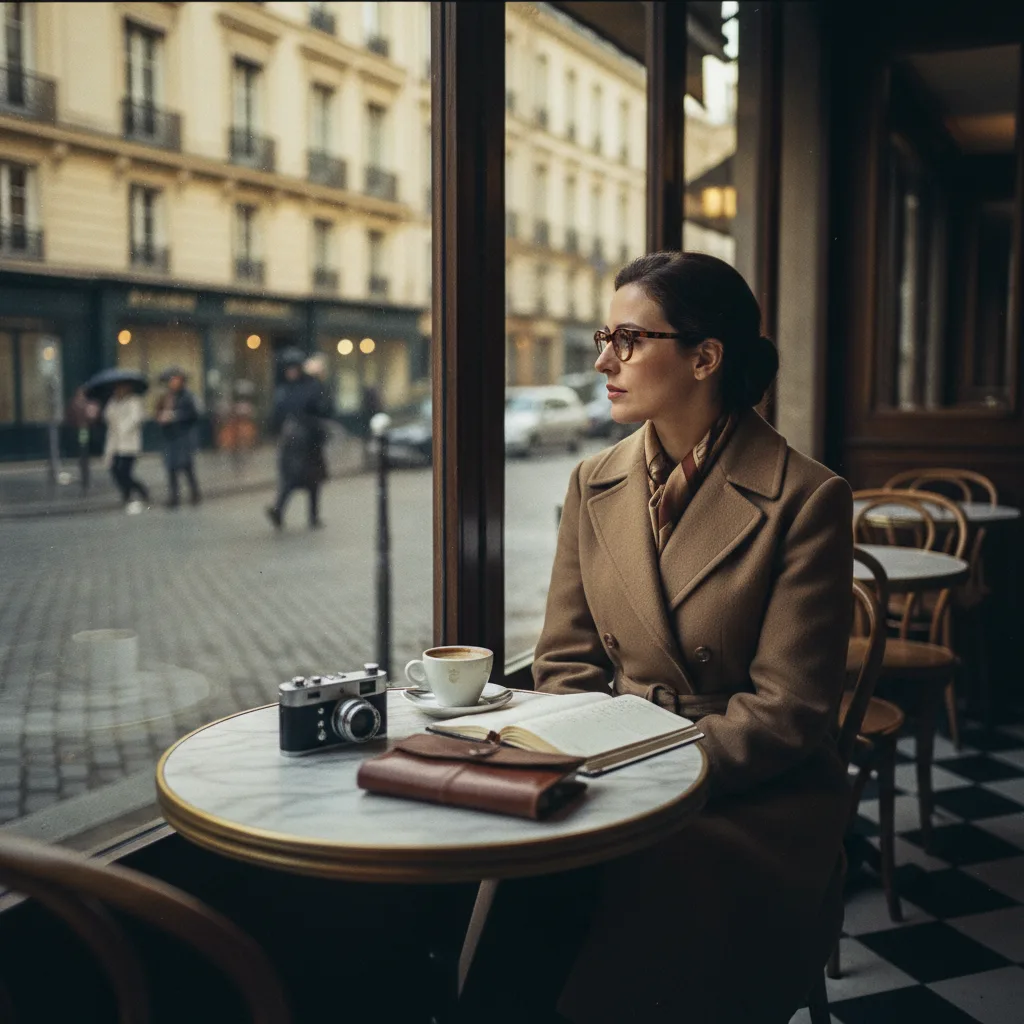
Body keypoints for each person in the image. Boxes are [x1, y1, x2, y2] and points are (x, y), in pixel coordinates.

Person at [460, 252, 854, 1024]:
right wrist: (590, 758)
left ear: (706, 357)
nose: (604, 359)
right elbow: (567, 661)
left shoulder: (808, 499)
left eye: (631, 339)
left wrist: (646, 774)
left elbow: (788, 712)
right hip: (613, 768)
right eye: (606, 336)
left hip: (749, 796)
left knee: (643, 884)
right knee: (523, 867)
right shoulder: (593, 482)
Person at [266, 350, 332, 530]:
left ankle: (313, 516)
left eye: (294, 369)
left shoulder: (312, 385)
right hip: (291, 442)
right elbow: (278, 414)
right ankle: (279, 510)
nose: (291, 373)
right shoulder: (284, 389)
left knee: (313, 481)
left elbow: (324, 407)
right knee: (290, 477)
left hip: (310, 441)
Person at [155, 368, 201, 508]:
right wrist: (161, 417)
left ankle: (195, 494)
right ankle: (174, 497)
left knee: (186, 466)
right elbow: (158, 411)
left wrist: (175, 416)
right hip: (170, 436)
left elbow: (193, 415)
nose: (173, 383)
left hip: (183, 436)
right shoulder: (166, 396)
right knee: (171, 468)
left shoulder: (187, 396)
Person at [103, 381, 150, 513]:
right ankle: (130, 491)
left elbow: (136, 418)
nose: (118, 391)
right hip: (115, 444)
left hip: (129, 444)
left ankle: (134, 492)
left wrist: (123, 426)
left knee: (125, 471)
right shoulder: (113, 402)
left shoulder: (134, 402)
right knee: (114, 470)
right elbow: (107, 416)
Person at [66, 386, 100, 495]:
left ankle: (86, 477)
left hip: (85, 430)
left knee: (84, 452)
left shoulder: (89, 404)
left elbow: (94, 418)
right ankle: (84, 475)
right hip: (78, 431)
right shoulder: (74, 404)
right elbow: (70, 417)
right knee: (82, 453)